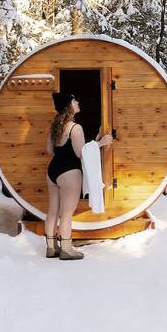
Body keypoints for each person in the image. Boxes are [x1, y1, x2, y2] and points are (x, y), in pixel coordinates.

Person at [44, 91, 113, 260]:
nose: (78, 102)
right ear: (68, 106)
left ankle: (51, 248)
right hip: (69, 172)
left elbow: (49, 150)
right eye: (74, 101)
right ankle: (67, 249)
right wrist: (101, 143)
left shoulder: (55, 126)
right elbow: (81, 153)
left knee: (53, 211)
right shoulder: (75, 128)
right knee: (66, 213)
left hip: (52, 171)